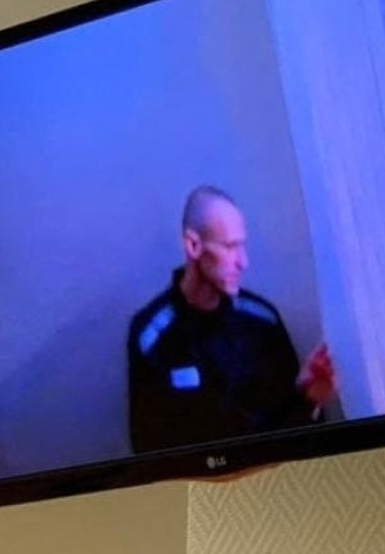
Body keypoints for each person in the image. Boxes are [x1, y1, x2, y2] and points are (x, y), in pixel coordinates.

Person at [127, 185, 335, 454]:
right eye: (230, 246)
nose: (243, 262)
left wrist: (309, 398)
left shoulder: (263, 321)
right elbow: (149, 451)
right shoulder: (151, 336)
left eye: (242, 245)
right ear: (193, 245)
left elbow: (295, 436)